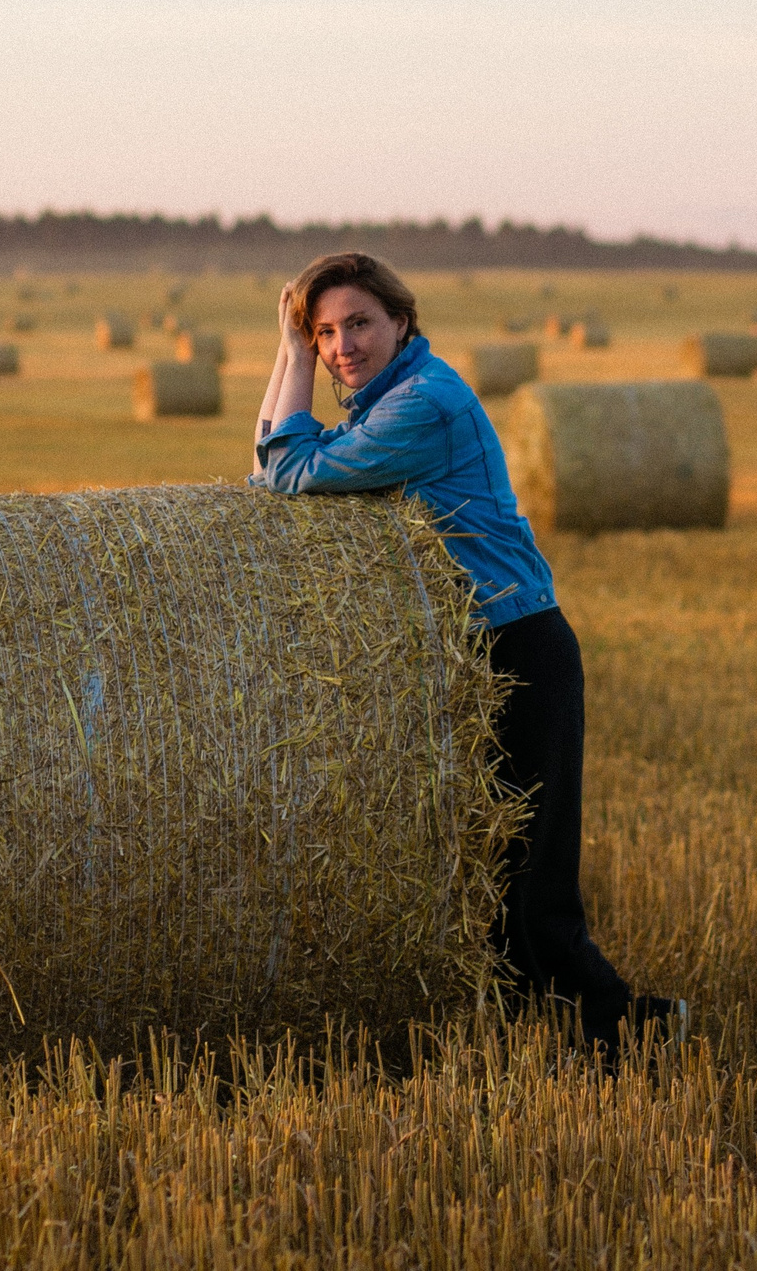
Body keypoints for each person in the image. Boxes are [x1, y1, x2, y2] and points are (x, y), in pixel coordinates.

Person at [248, 250, 687, 1052]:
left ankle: (626, 1026)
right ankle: (533, 1031)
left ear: (401, 321)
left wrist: (293, 359)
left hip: (519, 643)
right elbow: (270, 468)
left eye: (359, 324)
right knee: (483, 860)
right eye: (326, 333)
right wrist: (288, 351)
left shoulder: (425, 403)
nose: (342, 344)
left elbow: (290, 470)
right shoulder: (382, 403)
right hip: (463, 654)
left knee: (530, 865)